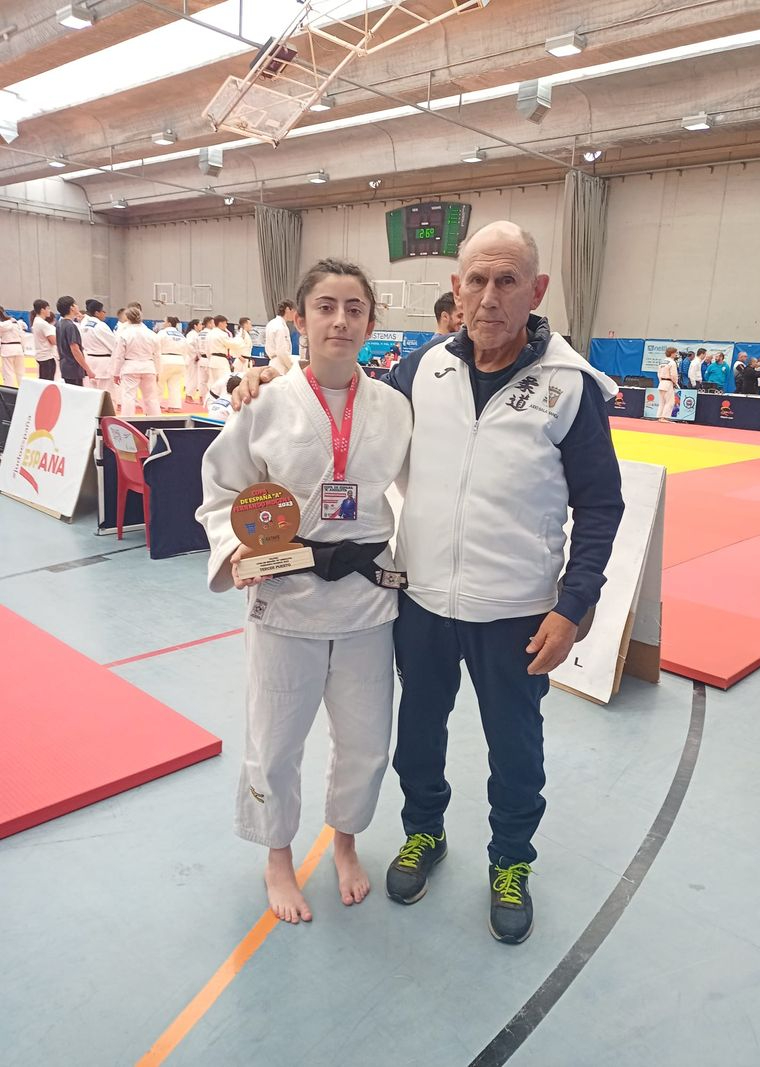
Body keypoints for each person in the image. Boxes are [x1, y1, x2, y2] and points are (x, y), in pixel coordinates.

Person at [232, 221, 624, 945]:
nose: (490, 297)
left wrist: (574, 604)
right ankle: (423, 833)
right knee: (415, 737)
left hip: (517, 611)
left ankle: (511, 861)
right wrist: (265, 382)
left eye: (507, 281)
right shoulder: (420, 372)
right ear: (456, 289)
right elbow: (344, 408)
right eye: (477, 280)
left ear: (537, 290)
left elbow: (601, 505)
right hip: (419, 601)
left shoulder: (569, 387)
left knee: (516, 750)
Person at [196, 258, 412, 925]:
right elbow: (221, 487)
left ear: (371, 323)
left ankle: (344, 842)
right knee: (275, 740)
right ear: (299, 318)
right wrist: (235, 549)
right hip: (286, 597)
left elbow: (425, 493)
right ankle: (278, 855)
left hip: (368, 602)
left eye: (354, 308)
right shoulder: (264, 402)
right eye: (325, 306)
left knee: (366, 740)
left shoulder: (396, 408)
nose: (340, 320)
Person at [111, 305, 161, 416]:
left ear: (127, 318)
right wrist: (157, 371)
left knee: (128, 396)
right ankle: (156, 421)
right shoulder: (152, 334)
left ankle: (128, 421)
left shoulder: (124, 334)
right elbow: (157, 355)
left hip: (130, 367)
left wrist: (116, 373)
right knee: (151, 397)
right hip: (148, 367)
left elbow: (119, 356)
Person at [80, 299, 116, 399]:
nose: (105, 313)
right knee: (107, 395)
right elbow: (114, 345)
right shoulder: (100, 326)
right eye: (103, 311)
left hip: (89, 361)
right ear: (96, 313)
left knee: (92, 395)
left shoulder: (84, 324)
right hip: (103, 364)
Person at [206, 315, 243, 400]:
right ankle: (223, 400)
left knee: (213, 383)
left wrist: (210, 359)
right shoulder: (221, 334)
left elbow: (207, 350)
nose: (226, 325)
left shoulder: (209, 334)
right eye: (225, 323)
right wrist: (240, 338)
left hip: (212, 360)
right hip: (221, 361)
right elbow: (232, 344)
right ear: (220, 323)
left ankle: (212, 400)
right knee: (224, 381)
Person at [55, 295, 90, 386]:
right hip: (73, 368)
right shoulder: (71, 326)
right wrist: (87, 369)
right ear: (72, 308)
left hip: (65, 365)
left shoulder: (60, 324)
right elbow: (75, 350)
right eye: (75, 304)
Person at [158, 316, 188, 412]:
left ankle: (157, 404)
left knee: (159, 383)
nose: (163, 323)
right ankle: (174, 406)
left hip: (165, 359)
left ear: (169, 323)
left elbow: (156, 346)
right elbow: (186, 350)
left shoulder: (162, 333)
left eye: (164, 321)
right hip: (179, 360)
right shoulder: (181, 335)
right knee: (175, 385)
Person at [264, 300, 296, 374]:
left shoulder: (271, 323)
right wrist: (291, 367)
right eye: (294, 311)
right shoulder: (280, 326)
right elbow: (282, 351)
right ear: (287, 309)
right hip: (281, 365)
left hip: (273, 362)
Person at [0, 307, 27, 387]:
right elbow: (23, 334)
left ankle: (8, 391)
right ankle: (23, 390)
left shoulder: (3, 325)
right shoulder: (17, 323)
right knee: (21, 373)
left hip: (7, 349)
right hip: (18, 349)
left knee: (8, 373)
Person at [31, 300, 57, 381]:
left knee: (43, 379)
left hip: (41, 355)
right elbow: (53, 341)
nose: (49, 311)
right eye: (48, 308)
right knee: (47, 381)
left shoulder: (36, 321)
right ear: (42, 310)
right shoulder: (43, 324)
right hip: (47, 357)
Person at [183, 319, 203, 404]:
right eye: (200, 324)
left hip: (193, 358)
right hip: (192, 359)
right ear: (195, 326)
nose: (201, 326)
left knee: (194, 378)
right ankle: (189, 396)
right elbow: (189, 345)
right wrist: (195, 355)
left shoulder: (195, 334)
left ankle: (189, 396)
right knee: (192, 378)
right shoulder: (192, 334)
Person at [656, 348, 679, 421]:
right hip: (668, 382)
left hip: (662, 382)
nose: (676, 354)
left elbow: (658, 374)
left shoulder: (662, 362)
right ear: (672, 353)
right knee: (670, 401)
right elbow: (673, 375)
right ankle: (664, 417)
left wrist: (661, 381)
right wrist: (675, 382)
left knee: (662, 401)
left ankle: (660, 416)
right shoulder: (672, 362)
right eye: (675, 353)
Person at [196, 316, 214, 402]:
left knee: (202, 380)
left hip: (202, 359)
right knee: (211, 380)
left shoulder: (200, 334)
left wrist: (199, 357)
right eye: (213, 323)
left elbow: (197, 347)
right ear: (209, 323)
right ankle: (210, 398)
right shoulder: (212, 334)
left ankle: (201, 397)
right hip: (210, 359)